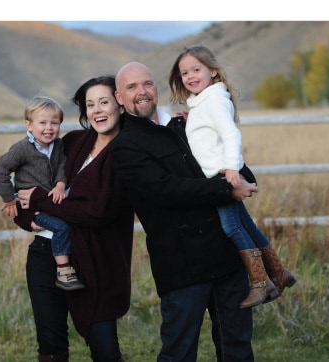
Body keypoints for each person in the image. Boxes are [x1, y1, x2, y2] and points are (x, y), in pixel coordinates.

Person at [110, 61, 257, 361]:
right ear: (119, 98)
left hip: (227, 257)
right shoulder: (125, 148)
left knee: (237, 348)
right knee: (179, 351)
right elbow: (168, 190)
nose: (142, 92)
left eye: (147, 84)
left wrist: (238, 174)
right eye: (132, 87)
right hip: (182, 266)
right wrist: (227, 189)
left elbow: (230, 166)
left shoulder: (185, 126)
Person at [168, 44, 297, 308]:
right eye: (184, 73)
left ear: (213, 71)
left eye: (196, 69)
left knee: (231, 227)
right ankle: (279, 273)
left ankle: (261, 283)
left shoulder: (213, 99)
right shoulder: (204, 101)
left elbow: (230, 134)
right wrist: (191, 118)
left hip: (221, 176)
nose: (190, 76)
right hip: (217, 173)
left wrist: (231, 168)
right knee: (246, 225)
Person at [15, 75, 133, 362]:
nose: (97, 110)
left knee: (105, 350)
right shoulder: (73, 141)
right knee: (51, 346)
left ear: (119, 104)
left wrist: (40, 200)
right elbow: (28, 180)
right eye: (90, 104)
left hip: (97, 261)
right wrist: (26, 216)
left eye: (104, 102)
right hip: (44, 254)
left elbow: (97, 211)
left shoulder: (128, 152)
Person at [0, 94, 84, 291]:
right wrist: (9, 199)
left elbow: (62, 164)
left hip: (50, 200)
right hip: (32, 204)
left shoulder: (58, 145)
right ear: (29, 125)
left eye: (54, 123)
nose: (49, 128)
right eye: (42, 122)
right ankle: (64, 270)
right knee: (61, 227)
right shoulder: (23, 149)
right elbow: (1, 168)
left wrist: (61, 184)